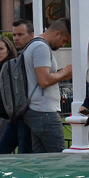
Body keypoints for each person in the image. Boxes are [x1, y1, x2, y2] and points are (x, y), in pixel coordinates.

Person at [21, 18, 73, 153]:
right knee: (57, 158)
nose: (63, 45)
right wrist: (64, 72)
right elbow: (44, 80)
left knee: (42, 160)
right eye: (65, 40)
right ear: (57, 33)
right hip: (45, 111)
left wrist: (61, 74)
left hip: (36, 109)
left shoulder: (34, 44)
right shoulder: (41, 47)